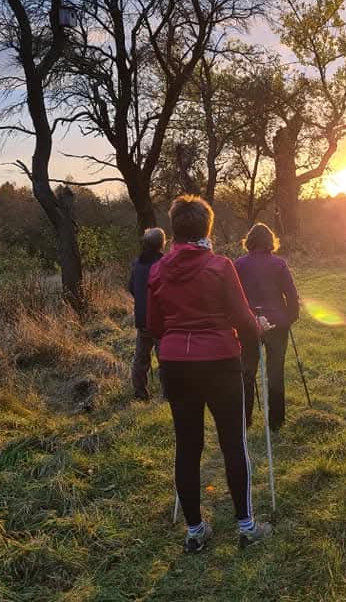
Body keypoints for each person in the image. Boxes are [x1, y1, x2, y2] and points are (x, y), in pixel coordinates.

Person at [146, 195, 273, 553]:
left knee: (187, 447)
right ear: (207, 227)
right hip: (219, 362)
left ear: (174, 229)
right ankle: (246, 527)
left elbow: (154, 325)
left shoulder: (158, 271)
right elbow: (245, 322)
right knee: (233, 442)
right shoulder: (220, 266)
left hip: (175, 365)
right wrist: (259, 328)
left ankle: (195, 531)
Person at [235, 223, 300, 433]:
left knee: (246, 371)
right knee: (275, 372)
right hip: (277, 324)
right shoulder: (279, 264)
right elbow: (291, 294)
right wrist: (290, 318)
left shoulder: (239, 265)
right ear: (270, 241)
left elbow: (235, 297)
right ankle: (276, 422)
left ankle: (244, 420)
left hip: (247, 324)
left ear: (249, 241)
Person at [127, 227, 166, 401]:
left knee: (141, 359)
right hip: (161, 319)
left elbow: (131, 288)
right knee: (164, 358)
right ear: (162, 243)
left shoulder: (137, 263)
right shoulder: (164, 263)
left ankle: (140, 393)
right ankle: (168, 394)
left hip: (142, 318)